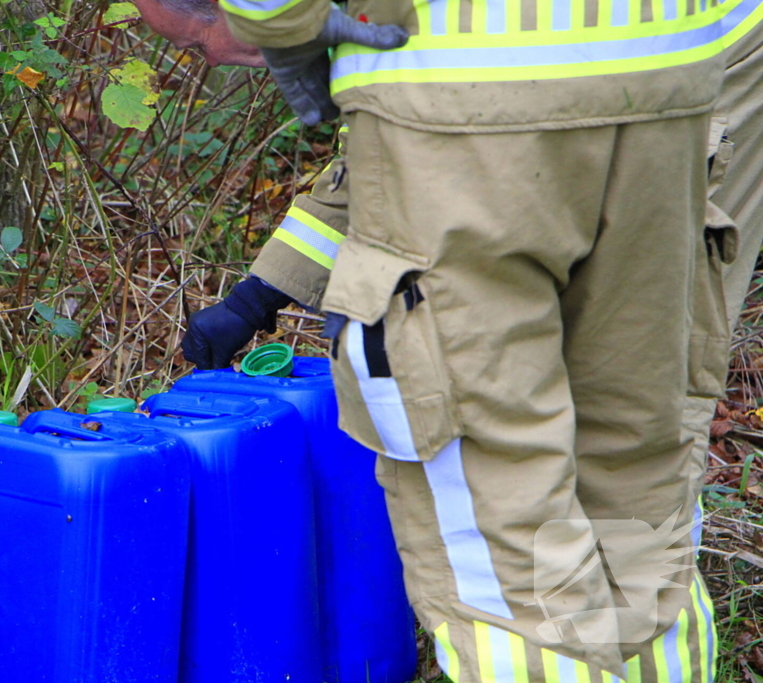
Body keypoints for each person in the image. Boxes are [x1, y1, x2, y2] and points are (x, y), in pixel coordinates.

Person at [133, 0, 763, 680]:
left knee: (502, 532)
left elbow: (456, 117)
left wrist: (284, 30)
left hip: (490, 94)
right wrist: (268, 285)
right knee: (638, 487)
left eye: (200, 41)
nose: (219, 57)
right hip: (677, 76)